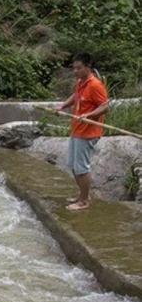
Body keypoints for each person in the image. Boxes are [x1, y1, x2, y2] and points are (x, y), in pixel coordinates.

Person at [57, 53, 109, 211]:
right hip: (77, 130)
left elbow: (105, 106)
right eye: (74, 68)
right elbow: (76, 96)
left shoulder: (95, 85)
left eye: (79, 68)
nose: (75, 71)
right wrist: (62, 106)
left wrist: (89, 115)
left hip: (88, 132)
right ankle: (82, 195)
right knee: (73, 166)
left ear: (88, 67)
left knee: (81, 168)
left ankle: (84, 201)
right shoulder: (81, 82)